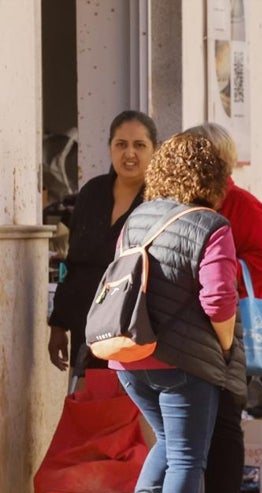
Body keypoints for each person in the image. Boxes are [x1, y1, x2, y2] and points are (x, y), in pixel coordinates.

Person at [106, 133, 244, 493]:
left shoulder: (136, 219)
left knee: (167, 442)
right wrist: (225, 347)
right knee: (187, 456)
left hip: (129, 356)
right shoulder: (211, 224)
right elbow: (220, 299)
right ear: (214, 176)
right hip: (184, 362)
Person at [182, 122, 262, 493]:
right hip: (188, 320)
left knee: (225, 413)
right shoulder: (183, 200)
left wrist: (220, 280)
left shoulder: (242, 204)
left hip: (232, 319)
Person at [48, 111, 157, 371]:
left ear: (154, 150)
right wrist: (58, 324)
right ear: (110, 148)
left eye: (139, 145)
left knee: (127, 410)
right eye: (121, 144)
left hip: (137, 333)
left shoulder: (160, 202)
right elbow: (71, 263)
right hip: (86, 326)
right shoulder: (91, 193)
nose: (129, 153)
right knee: (88, 405)